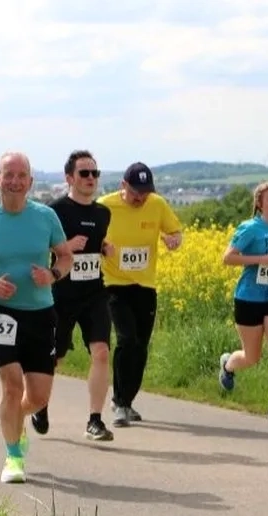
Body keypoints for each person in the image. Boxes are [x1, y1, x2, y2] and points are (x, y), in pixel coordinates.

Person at [0, 151, 73, 484]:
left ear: (30, 182)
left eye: (22, 175)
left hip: (40, 312)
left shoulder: (46, 217)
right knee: (11, 386)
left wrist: (52, 274)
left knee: (37, 398)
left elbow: (65, 257)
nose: (15, 181)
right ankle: (13, 456)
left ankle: (15, 423)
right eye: (8, 175)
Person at [29, 150, 116, 442]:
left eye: (95, 173)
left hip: (94, 293)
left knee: (102, 352)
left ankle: (95, 420)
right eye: (84, 173)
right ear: (69, 178)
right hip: (61, 295)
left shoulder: (103, 213)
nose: (91, 178)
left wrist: (104, 247)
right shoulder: (54, 211)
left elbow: (96, 240)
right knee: (56, 357)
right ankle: (39, 404)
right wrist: (65, 246)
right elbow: (38, 248)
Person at [98, 162, 183, 427]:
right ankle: (120, 402)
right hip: (114, 284)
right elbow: (88, 236)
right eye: (136, 192)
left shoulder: (156, 204)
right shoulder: (105, 206)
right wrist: (101, 246)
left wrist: (173, 240)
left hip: (145, 286)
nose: (140, 198)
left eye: (145, 192)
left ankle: (126, 399)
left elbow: (175, 231)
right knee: (126, 339)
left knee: (141, 346)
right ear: (123, 185)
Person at [216, 181, 268, 422]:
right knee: (252, 357)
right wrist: (260, 259)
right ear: (260, 204)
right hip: (249, 297)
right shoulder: (250, 229)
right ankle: (228, 365)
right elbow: (228, 258)